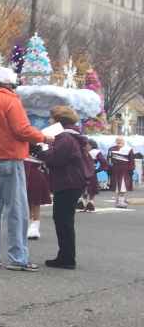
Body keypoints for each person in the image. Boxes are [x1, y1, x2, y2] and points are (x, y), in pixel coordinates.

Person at [0, 66, 46, 270]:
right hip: (9, 156)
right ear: (10, 84)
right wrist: (43, 136)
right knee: (17, 208)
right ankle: (17, 258)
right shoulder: (11, 100)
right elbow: (22, 129)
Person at [37, 106, 89, 269]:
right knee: (64, 219)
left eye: (51, 118)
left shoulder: (64, 137)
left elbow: (56, 159)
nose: (49, 120)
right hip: (73, 181)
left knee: (63, 220)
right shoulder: (73, 135)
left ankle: (67, 257)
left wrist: (39, 152)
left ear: (59, 120)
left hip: (68, 182)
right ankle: (65, 255)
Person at [24, 143, 50, 241]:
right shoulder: (43, 151)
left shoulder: (23, 155)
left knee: (27, 202)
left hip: (24, 176)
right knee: (36, 203)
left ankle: (28, 226)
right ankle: (34, 227)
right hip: (38, 176)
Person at [108, 136, 135, 209]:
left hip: (125, 169)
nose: (118, 141)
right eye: (117, 140)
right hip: (116, 169)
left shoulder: (129, 149)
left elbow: (132, 159)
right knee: (117, 185)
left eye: (120, 140)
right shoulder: (111, 149)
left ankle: (121, 201)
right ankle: (119, 200)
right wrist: (109, 168)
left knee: (123, 185)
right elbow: (109, 159)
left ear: (123, 141)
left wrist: (131, 169)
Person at [81, 138, 105, 212]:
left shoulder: (96, 152)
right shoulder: (82, 152)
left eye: (86, 145)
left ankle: (90, 203)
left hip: (91, 172)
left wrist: (98, 170)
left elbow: (104, 162)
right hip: (82, 172)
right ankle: (83, 202)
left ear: (90, 145)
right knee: (83, 188)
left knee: (92, 188)